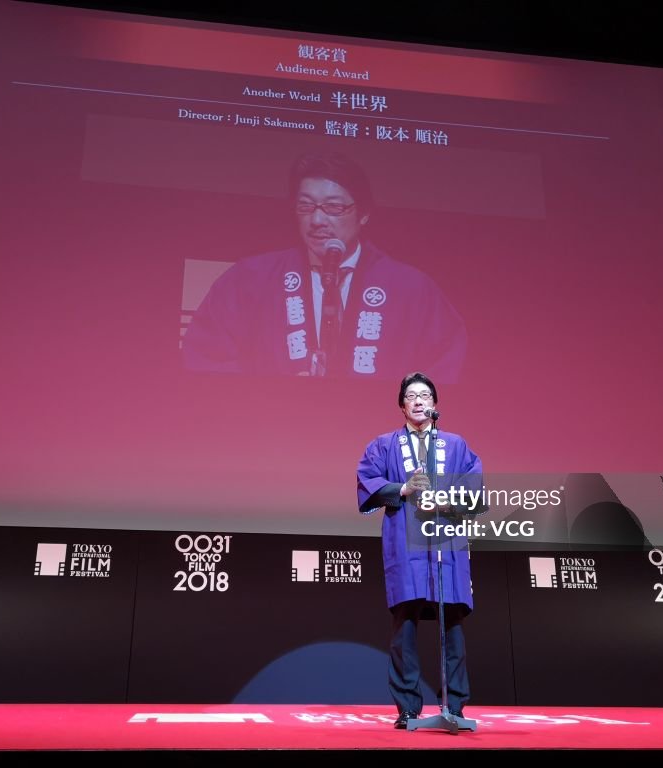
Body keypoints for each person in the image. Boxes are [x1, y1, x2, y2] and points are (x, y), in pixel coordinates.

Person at [182, 152, 467, 381]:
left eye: (333, 208)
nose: (317, 220)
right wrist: (270, 396)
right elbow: (207, 357)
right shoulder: (250, 279)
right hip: (271, 440)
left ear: (364, 213)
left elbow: (445, 366)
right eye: (306, 207)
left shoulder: (410, 288)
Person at [356, 372, 483, 728]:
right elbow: (368, 481)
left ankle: (455, 706)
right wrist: (403, 487)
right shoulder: (384, 444)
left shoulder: (455, 445)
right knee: (405, 627)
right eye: (411, 395)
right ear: (402, 405)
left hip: (446, 540)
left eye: (425, 395)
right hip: (405, 539)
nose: (418, 400)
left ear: (435, 404)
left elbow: (475, 483)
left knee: (452, 625)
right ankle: (408, 707)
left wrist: (451, 494)